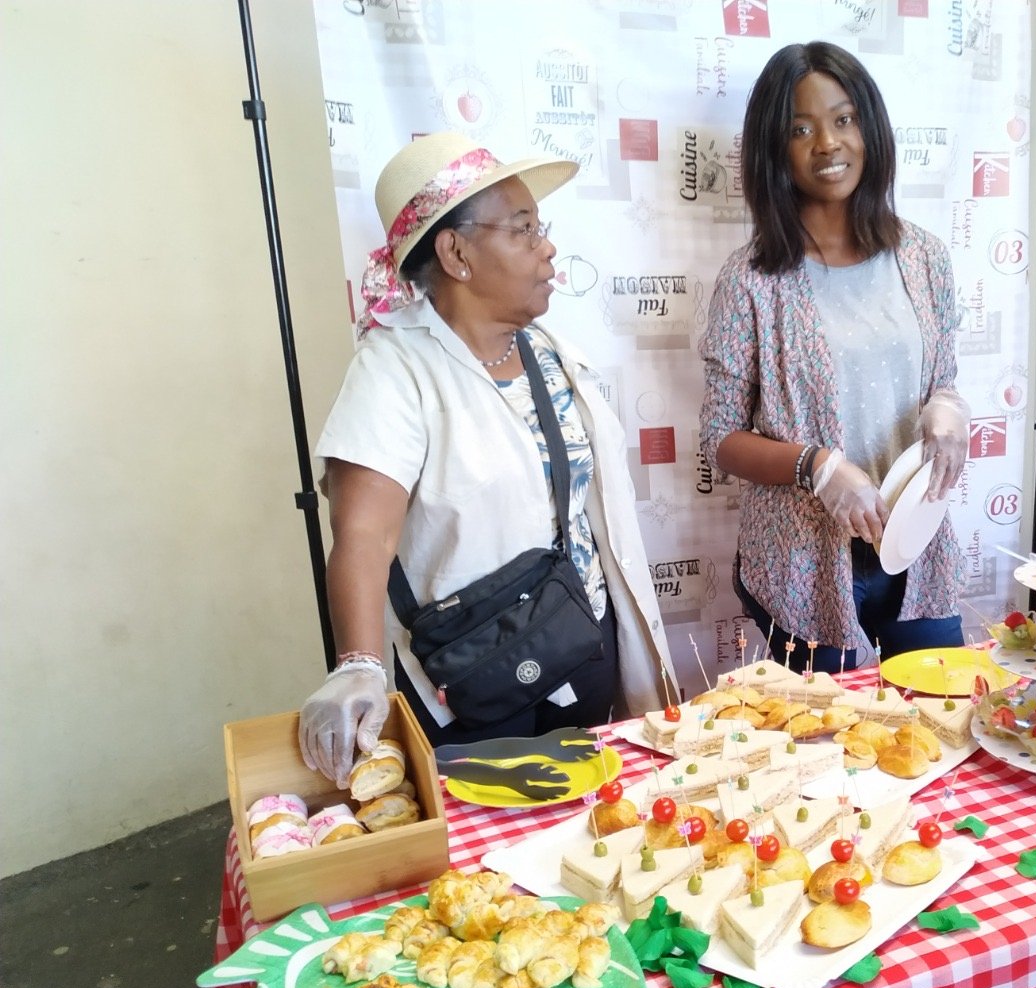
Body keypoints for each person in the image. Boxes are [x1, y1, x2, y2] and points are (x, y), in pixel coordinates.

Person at [299, 132, 674, 786]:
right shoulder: (393, 371)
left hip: (583, 647)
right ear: (456, 253)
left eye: (540, 228)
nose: (547, 247)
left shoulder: (550, 352)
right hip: (473, 682)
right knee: (488, 840)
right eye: (523, 229)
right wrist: (357, 664)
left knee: (593, 822)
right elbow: (363, 533)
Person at [698, 41, 968, 675]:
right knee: (832, 733)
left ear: (869, 128)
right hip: (803, 567)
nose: (827, 143)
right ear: (775, 149)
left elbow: (942, 379)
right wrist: (816, 466)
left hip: (916, 545)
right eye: (801, 129)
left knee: (944, 713)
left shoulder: (925, 258)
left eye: (844, 119)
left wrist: (948, 408)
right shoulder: (751, 280)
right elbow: (720, 440)